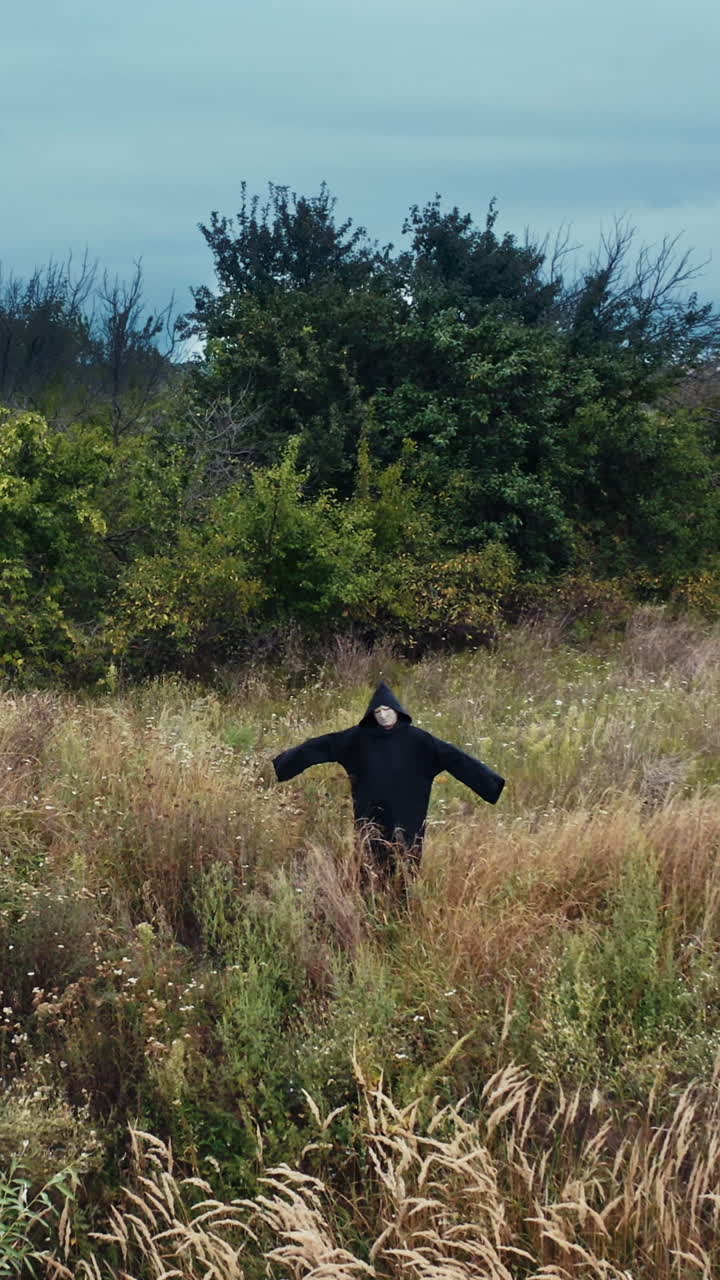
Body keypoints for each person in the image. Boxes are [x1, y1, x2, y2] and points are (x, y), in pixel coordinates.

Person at [273, 681, 504, 888]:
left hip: (408, 812)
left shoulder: (419, 741)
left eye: (387, 710)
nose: (383, 716)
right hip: (370, 811)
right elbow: (320, 746)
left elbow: (456, 759)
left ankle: (403, 907)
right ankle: (370, 902)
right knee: (370, 859)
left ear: (397, 711)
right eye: (378, 711)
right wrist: (285, 764)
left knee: (406, 860)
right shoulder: (356, 738)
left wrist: (491, 785)